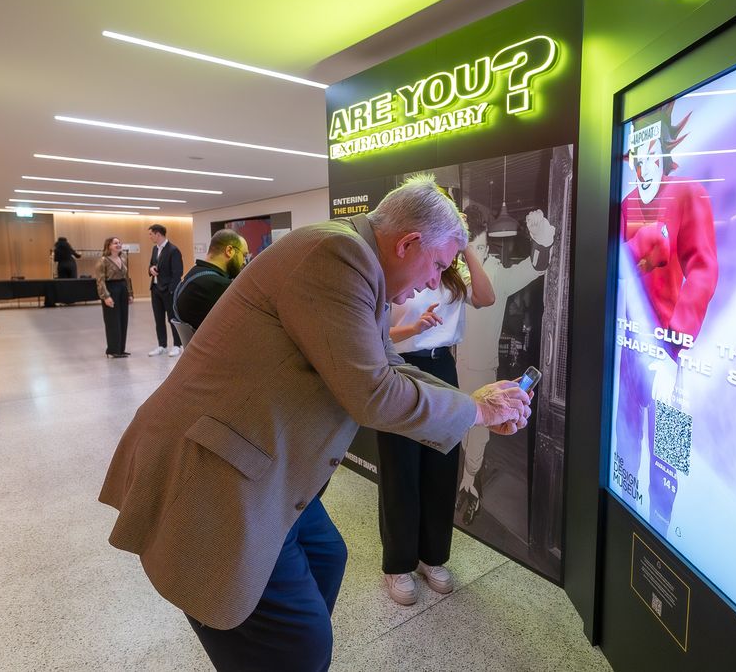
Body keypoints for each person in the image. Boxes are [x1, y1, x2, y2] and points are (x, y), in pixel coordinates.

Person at [98, 174, 531, 672]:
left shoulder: (354, 260)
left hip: (257, 456)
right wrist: (477, 411)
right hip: (216, 467)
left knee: (326, 558)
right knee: (298, 642)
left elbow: (388, 364)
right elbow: (374, 394)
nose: (435, 282)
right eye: (436, 264)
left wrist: (467, 401)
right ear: (408, 242)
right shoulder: (338, 256)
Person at [377, 218, 496, 606]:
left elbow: (487, 297)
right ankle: (398, 564)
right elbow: (373, 335)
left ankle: (433, 557)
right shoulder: (395, 271)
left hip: (442, 366)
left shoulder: (450, 275)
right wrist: (412, 329)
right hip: (398, 366)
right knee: (401, 469)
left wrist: (466, 251)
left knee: (441, 466)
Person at [616, 102, 718, 533]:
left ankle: (662, 527)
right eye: (637, 156)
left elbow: (705, 267)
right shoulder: (625, 204)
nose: (643, 164)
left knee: (669, 452)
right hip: (629, 345)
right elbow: (622, 270)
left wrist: (676, 339)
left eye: (650, 153)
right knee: (625, 437)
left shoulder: (688, 192)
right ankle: (624, 513)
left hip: (672, 353)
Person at [454, 202, 555, 525]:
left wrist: (542, 243)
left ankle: (471, 484)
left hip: (483, 369)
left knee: (479, 433)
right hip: (452, 366)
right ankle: (465, 479)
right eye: (473, 248)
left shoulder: (496, 275)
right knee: (459, 428)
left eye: (483, 247)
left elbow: (534, 267)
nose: (479, 254)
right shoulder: (452, 273)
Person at [172, 229, 249, 331]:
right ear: (229, 251)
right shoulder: (218, 285)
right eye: (244, 255)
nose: (244, 262)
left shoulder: (193, 274)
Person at [146, 223, 184, 358]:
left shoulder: (173, 250)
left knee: (172, 318)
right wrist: (151, 269)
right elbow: (151, 264)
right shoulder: (155, 249)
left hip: (168, 290)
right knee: (158, 318)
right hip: (155, 289)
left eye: (151, 234)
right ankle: (162, 345)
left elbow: (178, 272)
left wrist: (171, 290)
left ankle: (177, 345)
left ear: (158, 234)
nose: (149, 237)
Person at [94, 236, 134, 359]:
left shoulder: (123, 257)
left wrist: (130, 293)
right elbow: (100, 281)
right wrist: (106, 296)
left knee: (123, 319)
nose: (118, 245)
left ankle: (121, 349)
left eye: (119, 243)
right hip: (111, 289)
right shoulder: (103, 261)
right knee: (112, 320)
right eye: (115, 243)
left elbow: (127, 277)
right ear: (109, 246)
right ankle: (112, 350)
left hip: (122, 288)